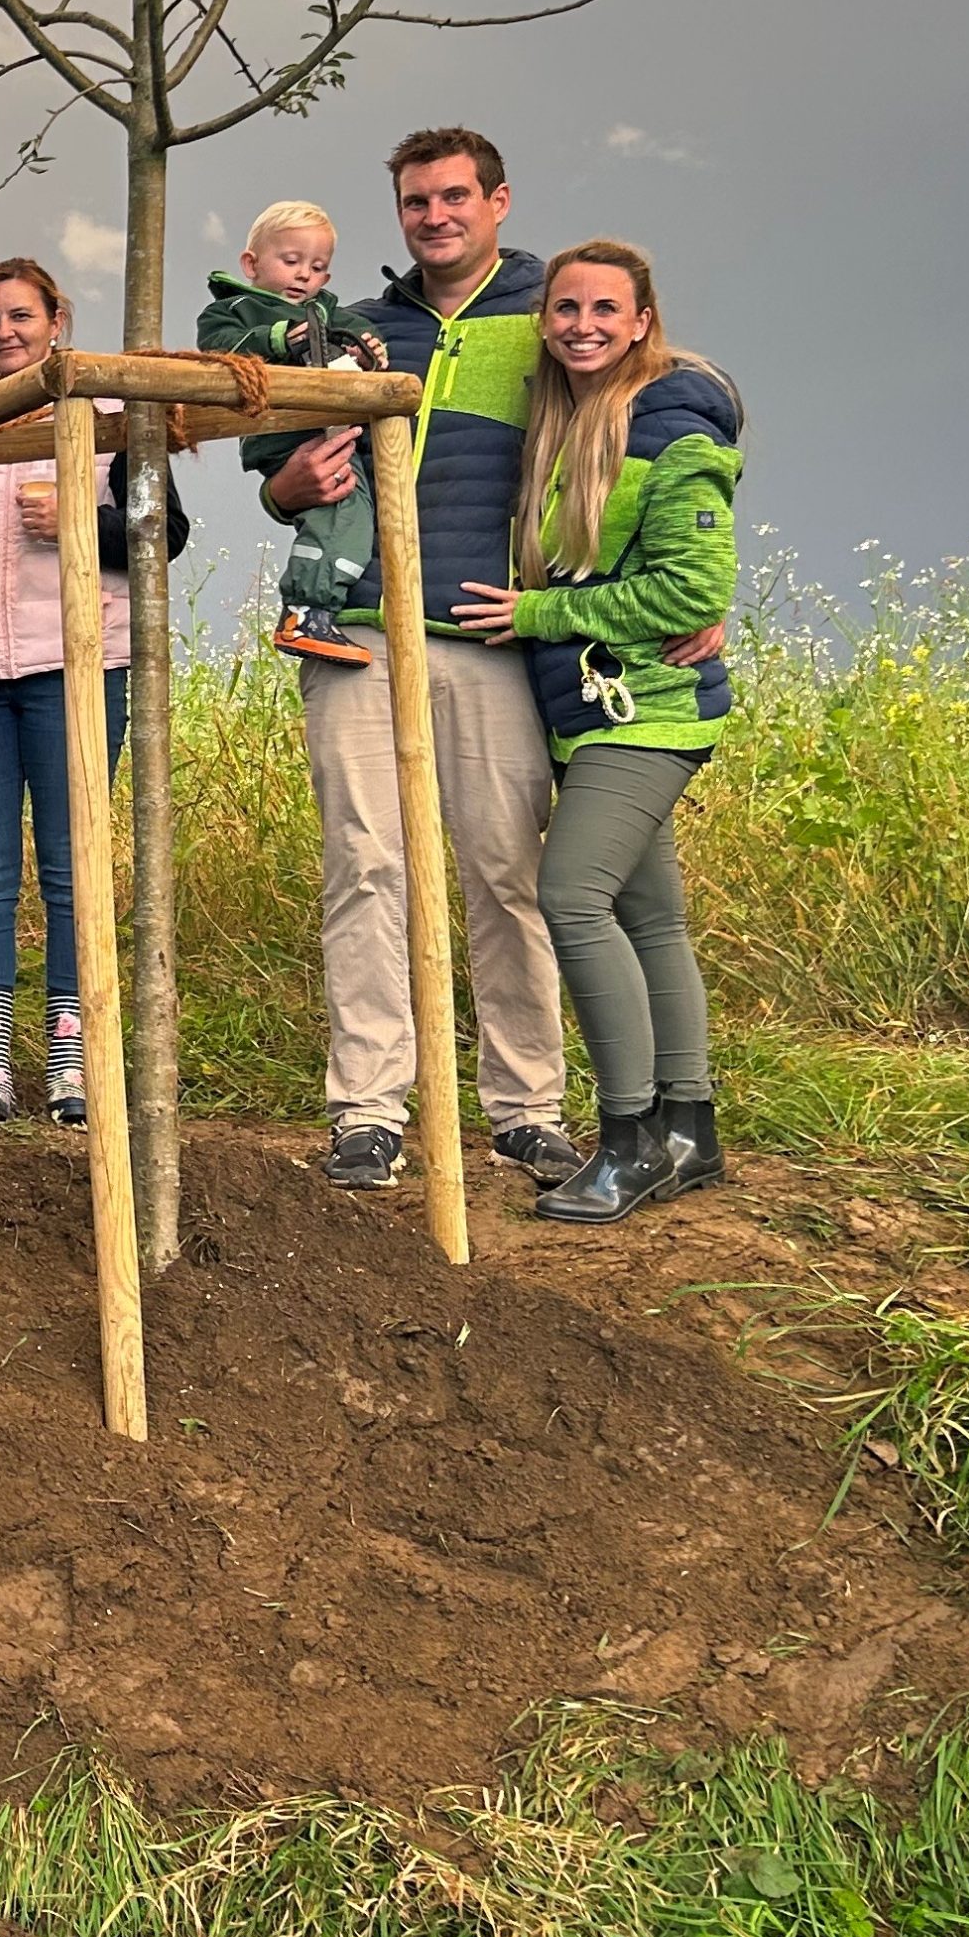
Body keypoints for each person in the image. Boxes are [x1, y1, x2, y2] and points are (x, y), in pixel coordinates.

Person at [247, 130, 600, 1195]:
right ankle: (367, 1111)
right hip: (356, 630)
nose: (434, 217)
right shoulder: (357, 329)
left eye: (453, 197)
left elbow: (641, 427)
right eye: (415, 202)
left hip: (489, 631)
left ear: (499, 200)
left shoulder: (548, 321)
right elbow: (280, 459)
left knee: (507, 870)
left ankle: (527, 1109)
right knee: (365, 866)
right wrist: (283, 489)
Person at [453, 241, 744, 1225]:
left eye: (604, 309)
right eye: (565, 308)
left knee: (571, 897)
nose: (582, 325)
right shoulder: (571, 423)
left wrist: (537, 614)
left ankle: (627, 1142)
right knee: (648, 915)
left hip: (650, 709)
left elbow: (692, 589)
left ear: (641, 321)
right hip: (594, 713)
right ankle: (690, 1132)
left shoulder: (672, 427)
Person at [0, 260, 187, 1126]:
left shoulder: (109, 414)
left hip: (77, 665)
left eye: (21, 316)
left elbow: (165, 532)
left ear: (56, 320)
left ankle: (73, 1053)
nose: (5, 332)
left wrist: (83, 521)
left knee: (74, 867)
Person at [196, 201, 388, 666]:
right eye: (291, 261)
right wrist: (277, 339)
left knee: (352, 516)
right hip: (283, 435)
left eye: (317, 267)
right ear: (252, 264)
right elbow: (217, 347)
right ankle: (306, 611)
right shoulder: (233, 310)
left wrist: (369, 350)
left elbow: (359, 331)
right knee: (343, 515)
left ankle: (314, 612)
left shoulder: (328, 312)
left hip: (330, 431)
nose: (304, 274)